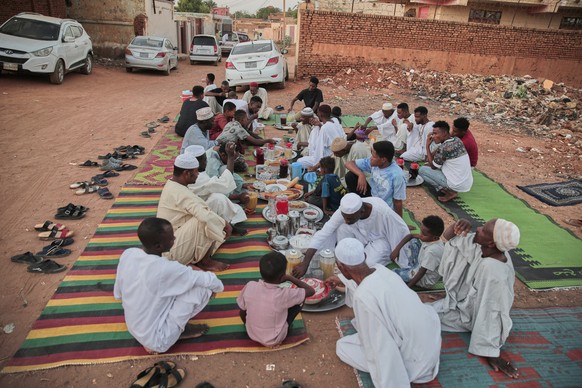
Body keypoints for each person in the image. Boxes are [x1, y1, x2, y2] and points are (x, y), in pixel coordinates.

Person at [331, 238, 441, 387]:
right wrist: (343, 279)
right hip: (430, 342)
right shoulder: (381, 270)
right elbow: (363, 281)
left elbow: (381, 347)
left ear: (342, 267)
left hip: (416, 362)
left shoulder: (363, 296)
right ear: (364, 256)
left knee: (343, 347)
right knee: (364, 329)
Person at [114, 217, 224, 354]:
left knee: (183, 282)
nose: (175, 238)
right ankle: (174, 333)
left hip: (134, 327)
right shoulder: (165, 268)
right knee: (203, 288)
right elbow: (210, 281)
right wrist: (216, 288)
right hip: (157, 340)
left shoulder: (128, 254)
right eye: (171, 238)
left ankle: (172, 328)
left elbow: (118, 294)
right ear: (158, 246)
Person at [431, 218, 521, 379]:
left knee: (422, 315)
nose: (478, 229)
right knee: (423, 311)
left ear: (492, 243)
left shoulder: (493, 272)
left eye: (484, 230)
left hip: (468, 316)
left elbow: (491, 311)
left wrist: (490, 351)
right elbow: (451, 238)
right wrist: (458, 224)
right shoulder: (491, 250)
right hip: (465, 304)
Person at [293, 193, 411, 278]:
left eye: (349, 218)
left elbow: (401, 230)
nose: (346, 220)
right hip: (360, 235)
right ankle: (343, 258)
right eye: (344, 217)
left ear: (362, 211)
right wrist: (305, 263)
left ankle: (353, 262)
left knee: (364, 266)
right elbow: (324, 232)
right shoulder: (347, 211)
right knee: (342, 227)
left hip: (381, 241)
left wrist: (399, 253)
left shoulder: (382, 212)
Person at [157, 153, 232, 272]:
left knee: (209, 208)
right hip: (170, 251)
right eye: (196, 172)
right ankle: (204, 262)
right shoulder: (179, 192)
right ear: (187, 173)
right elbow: (204, 216)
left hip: (174, 238)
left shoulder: (173, 184)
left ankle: (194, 257)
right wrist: (225, 224)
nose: (198, 174)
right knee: (203, 219)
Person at [237, 251, 315, 347]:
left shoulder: (250, 286)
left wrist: (247, 324)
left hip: (251, 333)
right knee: (299, 300)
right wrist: (290, 278)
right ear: (282, 275)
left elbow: (242, 312)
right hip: (275, 339)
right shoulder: (284, 294)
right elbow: (310, 291)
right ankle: (287, 327)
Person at [184, 145, 248, 230]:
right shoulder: (197, 178)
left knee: (228, 204)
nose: (206, 162)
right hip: (194, 213)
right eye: (205, 160)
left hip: (197, 204)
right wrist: (230, 157)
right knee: (219, 198)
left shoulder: (190, 173)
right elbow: (224, 184)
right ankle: (225, 226)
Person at [345, 141, 406, 217]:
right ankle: (358, 207)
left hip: (383, 208)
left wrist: (399, 223)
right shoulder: (374, 164)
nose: (371, 158)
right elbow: (348, 163)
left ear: (383, 159)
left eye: (373, 156)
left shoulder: (397, 175)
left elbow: (398, 201)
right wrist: (361, 175)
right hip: (372, 198)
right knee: (350, 176)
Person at [419, 120, 473, 202]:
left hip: (456, 184)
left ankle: (449, 191)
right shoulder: (457, 140)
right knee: (429, 165)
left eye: (435, 134)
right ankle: (448, 189)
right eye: (433, 134)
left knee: (422, 170)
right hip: (466, 183)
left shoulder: (444, 147)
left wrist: (427, 146)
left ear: (444, 134)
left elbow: (433, 166)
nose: (433, 136)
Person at [390, 215, 445, 289]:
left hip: (424, 279)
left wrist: (408, 288)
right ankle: (411, 269)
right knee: (414, 241)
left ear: (434, 237)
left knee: (393, 273)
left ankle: (410, 272)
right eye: (421, 231)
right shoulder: (432, 239)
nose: (420, 235)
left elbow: (421, 273)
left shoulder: (432, 252)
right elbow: (411, 236)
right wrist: (397, 250)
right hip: (420, 265)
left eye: (424, 234)